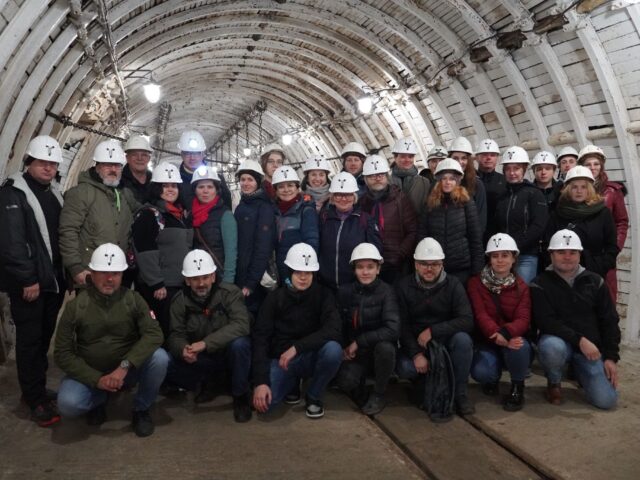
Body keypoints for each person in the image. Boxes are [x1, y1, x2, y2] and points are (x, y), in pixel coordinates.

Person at [55, 244, 168, 437]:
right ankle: (100, 397)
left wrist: (124, 367)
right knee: (68, 404)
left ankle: (141, 409)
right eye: (103, 273)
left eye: (116, 273)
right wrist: (96, 380)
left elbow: (154, 334)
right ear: (92, 273)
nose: (110, 279)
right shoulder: (76, 307)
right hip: (92, 372)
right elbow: (62, 353)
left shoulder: (133, 300)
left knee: (160, 358)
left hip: (127, 369)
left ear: (123, 274)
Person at [0, 135, 65, 426]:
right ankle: (34, 400)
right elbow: (12, 244)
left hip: (52, 282)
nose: (48, 168)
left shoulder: (53, 192)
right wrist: (27, 279)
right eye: (43, 162)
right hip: (29, 285)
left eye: (53, 163)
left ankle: (36, 389)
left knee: (41, 340)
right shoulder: (12, 194)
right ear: (29, 162)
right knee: (29, 341)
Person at [252, 243, 342, 419]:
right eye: (298, 272)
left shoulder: (323, 295)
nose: (303, 277)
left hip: (309, 355)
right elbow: (260, 339)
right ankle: (291, 383)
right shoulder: (274, 299)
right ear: (289, 272)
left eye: (307, 273)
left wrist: (297, 348)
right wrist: (260, 382)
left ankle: (313, 396)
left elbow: (334, 329)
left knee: (333, 350)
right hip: (282, 361)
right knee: (266, 407)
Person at [532, 229, 620, 409]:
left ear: (580, 254)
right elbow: (547, 322)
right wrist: (580, 340)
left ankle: (579, 371)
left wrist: (610, 357)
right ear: (551, 254)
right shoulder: (539, 284)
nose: (567, 257)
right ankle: (554, 381)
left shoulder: (596, 282)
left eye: (572, 252)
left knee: (607, 401)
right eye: (561, 252)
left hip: (589, 350)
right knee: (550, 347)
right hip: (561, 344)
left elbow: (609, 321)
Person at [166, 250, 252, 422]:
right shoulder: (179, 301)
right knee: (167, 360)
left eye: (205, 277)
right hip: (200, 358)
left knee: (241, 345)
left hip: (227, 353)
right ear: (187, 280)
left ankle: (241, 396)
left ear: (213, 277)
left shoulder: (230, 293)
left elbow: (242, 324)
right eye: (195, 279)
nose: (201, 283)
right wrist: (183, 349)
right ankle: (209, 383)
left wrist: (205, 343)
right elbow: (175, 335)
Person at [396, 238, 475, 416]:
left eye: (434, 264)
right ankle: (423, 383)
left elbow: (467, 319)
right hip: (419, 346)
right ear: (416, 264)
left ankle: (460, 394)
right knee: (406, 367)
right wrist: (416, 353)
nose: (429, 269)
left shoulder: (453, 285)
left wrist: (433, 331)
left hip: (445, 343)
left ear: (442, 265)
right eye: (424, 264)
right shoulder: (403, 286)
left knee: (463, 340)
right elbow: (402, 325)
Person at [59, 139, 138, 288]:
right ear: (97, 167)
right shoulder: (81, 193)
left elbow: (142, 211)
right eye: (108, 165)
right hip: (90, 273)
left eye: (117, 166)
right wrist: (75, 268)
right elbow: (68, 231)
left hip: (117, 272)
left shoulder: (124, 195)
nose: (113, 170)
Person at [468, 234, 531, 412]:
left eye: (505, 255)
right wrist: (497, 335)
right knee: (482, 372)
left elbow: (523, 319)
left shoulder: (522, 287)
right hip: (488, 339)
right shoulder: (475, 283)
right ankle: (492, 378)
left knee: (521, 346)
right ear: (489, 259)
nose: (500, 260)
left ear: (513, 258)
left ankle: (517, 387)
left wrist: (506, 333)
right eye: (495, 256)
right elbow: (480, 314)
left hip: (511, 338)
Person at [335, 243, 399, 415]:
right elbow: (337, 324)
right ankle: (359, 388)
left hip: (377, 352)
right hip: (354, 354)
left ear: (378, 269)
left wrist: (360, 341)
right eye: (360, 267)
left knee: (386, 348)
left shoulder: (387, 292)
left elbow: (393, 329)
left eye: (370, 267)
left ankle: (379, 393)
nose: (365, 272)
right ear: (354, 269)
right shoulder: (345, 292)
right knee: (345, 382)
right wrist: (343, 347)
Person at [131, 162, 193, 338]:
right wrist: (156, 282)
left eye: (174, 185)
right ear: (156, 188)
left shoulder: (179, 214)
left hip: (179, 284)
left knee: (177, 328)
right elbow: (144, 250)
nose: (170, 189)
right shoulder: (150, 215)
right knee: (163, 329)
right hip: (161, 288)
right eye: (165, 186)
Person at [544, 166, 618, 280]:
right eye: (574, 187)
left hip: (594, 273)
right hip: (562, 274)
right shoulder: (558, 214)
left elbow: (611, 245)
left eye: (583, 187)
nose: (579, 191)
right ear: (568, 189)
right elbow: (548, 243)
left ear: (589, 189)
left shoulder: (602, 213)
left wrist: (601, 266)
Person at [418, 158, 483, 285]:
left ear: (458, 181)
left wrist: (477, 269)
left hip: (461, 267)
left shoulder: (466, 203)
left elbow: (475, 237)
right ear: (438, 180)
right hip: (435, 266)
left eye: (452, 178)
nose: (448, 182)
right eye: (444, 178)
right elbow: (422, 234)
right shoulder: (430, 204)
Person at [578, 145, 629, 303]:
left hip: (604, 253)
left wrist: (614, 249)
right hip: (581, 254)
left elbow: (621, 221)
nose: (592, 168)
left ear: (601, 166)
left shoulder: (613, 191)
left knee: (606, 297)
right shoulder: (576, 189)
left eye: (596, 164)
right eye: (588, 164)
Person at [493, 146, 548, 284]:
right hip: (502, 255)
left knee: (521, 292)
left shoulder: (534, 194)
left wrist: (516, 246)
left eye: (516, 168)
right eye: (508, 169)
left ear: (523, 170)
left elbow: (538, 225)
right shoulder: (500, 194)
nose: (512, 173)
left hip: (526, 255)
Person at [319, 172, 382, 290]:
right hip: (326, 286)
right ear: (332, 197)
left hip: (355, 287)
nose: (343, 199)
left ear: (354, 197)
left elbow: (375, 251)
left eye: (348, 195)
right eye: (338, 195)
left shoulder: (365, 220)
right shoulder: (324, 218)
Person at [359, 155, 417, 284]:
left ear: (387, 177)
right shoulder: (361, 203)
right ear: (366, 179)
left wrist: (400, 254)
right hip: (369, 264)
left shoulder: (400, 199)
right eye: (372, 176)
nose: (377, 178)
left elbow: (412, 230)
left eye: (381, 175)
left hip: (397, 265)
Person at [234, 159, 276, 316]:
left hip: (254, 279)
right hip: (242, 273)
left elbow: (263, 248)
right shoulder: (242, 205)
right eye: (243, 179)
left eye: (250, 179)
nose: (245, 183)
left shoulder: (264, 207)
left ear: (258, 182)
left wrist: (251, 283)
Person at [272, 165, 320, 282]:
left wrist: (301, 275)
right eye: (281, 187)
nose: (286, 190)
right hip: (279, 272)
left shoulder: (306, 210)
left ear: (298, 188)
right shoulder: (273, 212)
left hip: (299, 275)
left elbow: (312, 243)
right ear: (276, 191)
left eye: (290, 185)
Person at [191, 165, 237, 284]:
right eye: (201, 187)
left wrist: (228, 281)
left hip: (218, 277)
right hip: (197, 276)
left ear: (217, 190)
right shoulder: (190, 214)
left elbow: (231, 251)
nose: (205, 191)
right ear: (195, 190)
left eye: (210, 187)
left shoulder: (225, 215)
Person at [176, 130, 231, 207]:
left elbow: (227, 207)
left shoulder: (218, 179)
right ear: (182, 155)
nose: (192, 158)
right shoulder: (176, 181)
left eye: (196, 153)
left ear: (202, 154)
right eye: (188, 153)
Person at [449, 136, 487, 233]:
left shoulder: (477, 184)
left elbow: (480, 219)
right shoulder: (441, 183)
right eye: (455, 158)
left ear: (469, 160)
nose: (460, 162)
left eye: (464, 158)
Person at [389, 137, 430, 219]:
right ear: (395, 157)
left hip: (417, 229)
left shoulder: (424, 183)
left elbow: (427, 210)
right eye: (403, 156)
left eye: (410, 157)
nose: (407, 160)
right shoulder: (386, 182)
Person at [475, 139, 506, 242]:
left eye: (492, 155)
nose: (488, 158)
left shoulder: (504, 180)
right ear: (477, 158)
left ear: (497, 158)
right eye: (484, 155)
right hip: (475, 233)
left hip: (498, 233)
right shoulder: (470, 180)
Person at [121, 135, 153, 204]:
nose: (139, 158)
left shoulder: (155, 180)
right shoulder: (119, 182)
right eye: (134, 155)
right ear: (127, 158)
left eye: (144, 155)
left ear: (149, 158)